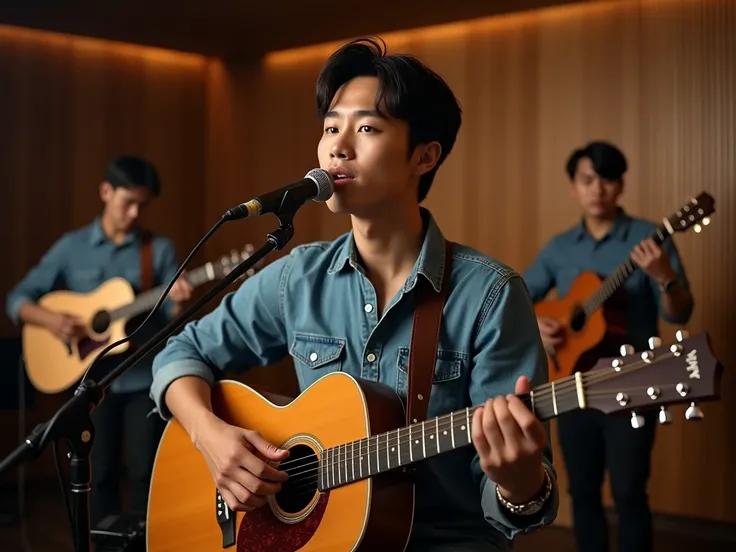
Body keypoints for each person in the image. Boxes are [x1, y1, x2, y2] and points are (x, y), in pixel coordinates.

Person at [149, 37, 559, 551]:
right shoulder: (298, 276)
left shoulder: (490, 295)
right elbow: (179, 353)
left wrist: (518, 483)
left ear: (424, 156)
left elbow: (523, 504)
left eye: (366, 127)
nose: (338, 146)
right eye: (330, 127)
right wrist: (211, 437)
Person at [523, 140, 694, 552]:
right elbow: (517, 298)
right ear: (574, 188)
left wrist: (664, 275)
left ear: (620, 187)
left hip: (633, 384)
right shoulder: (559, 247)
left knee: (629, 494)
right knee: (581, 492)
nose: (597, 189)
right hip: (574, 386)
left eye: (607, 180)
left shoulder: (650, 239)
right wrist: (537, 325)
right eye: (587, 180)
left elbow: (680, 312)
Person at [5, 155, 194, 527]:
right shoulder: (71, 247)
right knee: (97, 471)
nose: (135, 213)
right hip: (92, 384)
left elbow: (178, 324)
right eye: (128, 202)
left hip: (144, 378)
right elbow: (18, 299)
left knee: (145, 471)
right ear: (106, 192)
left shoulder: (159, 250)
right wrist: (52, 320)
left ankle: (144, 541)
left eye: (144, 205)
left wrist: (181, 305)